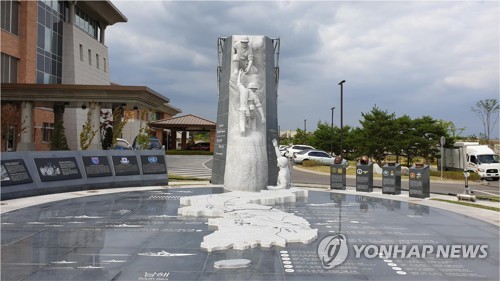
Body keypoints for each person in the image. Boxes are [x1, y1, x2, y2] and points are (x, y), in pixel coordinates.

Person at [237, 69, 265, 135]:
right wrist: (263, 117)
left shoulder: (243, 89)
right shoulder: (254, 95)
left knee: (242, 120)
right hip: (251, 110)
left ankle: (242, 130)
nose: (255, 91)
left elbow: (238, 83)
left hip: (243, 109)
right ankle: (254, 130)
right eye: (255, 89)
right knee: (253, 118)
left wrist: (239, 74)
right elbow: (259, 106)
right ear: (253, 89)